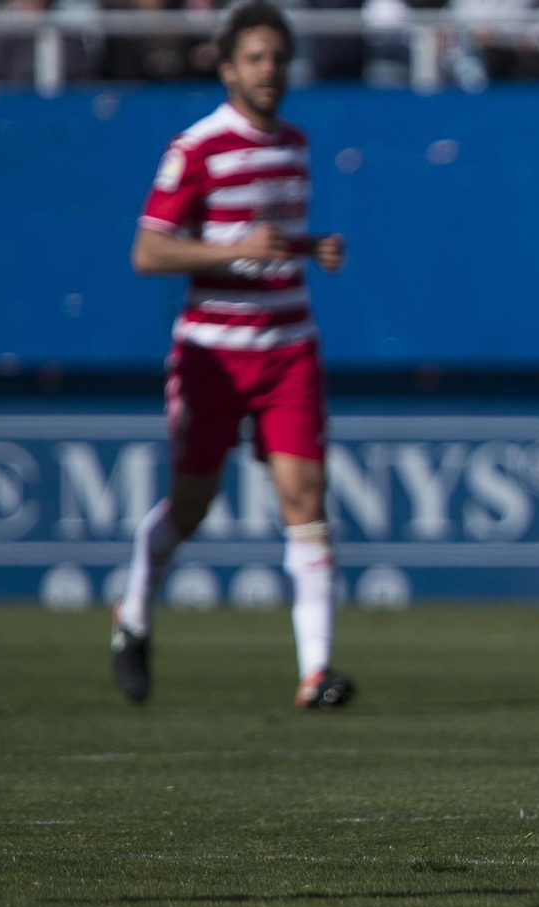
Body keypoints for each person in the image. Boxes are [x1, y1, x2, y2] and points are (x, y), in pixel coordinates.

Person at [112, 1, 354, 711]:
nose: (269, 70)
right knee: (191, 504)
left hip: (288, 348)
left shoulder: (296, 144)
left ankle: (316, 674)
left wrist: (313, 249)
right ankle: (133, 616)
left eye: (277, 57)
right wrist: (234, 249)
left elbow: (270, 246)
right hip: (213, 351)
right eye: (255, 57)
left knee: (305, 503)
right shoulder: (197, 148)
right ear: (227, 69)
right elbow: (148, 250)